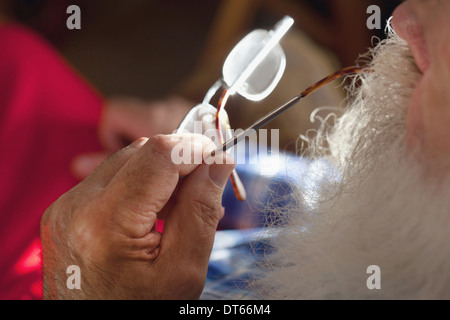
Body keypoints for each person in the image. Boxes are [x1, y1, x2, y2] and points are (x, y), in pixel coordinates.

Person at [32, 0, 450, 299]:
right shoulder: (411, 215)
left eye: (425, 68)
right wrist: (204, 141)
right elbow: (315, 197)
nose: (401, 17)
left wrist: (91, 292)